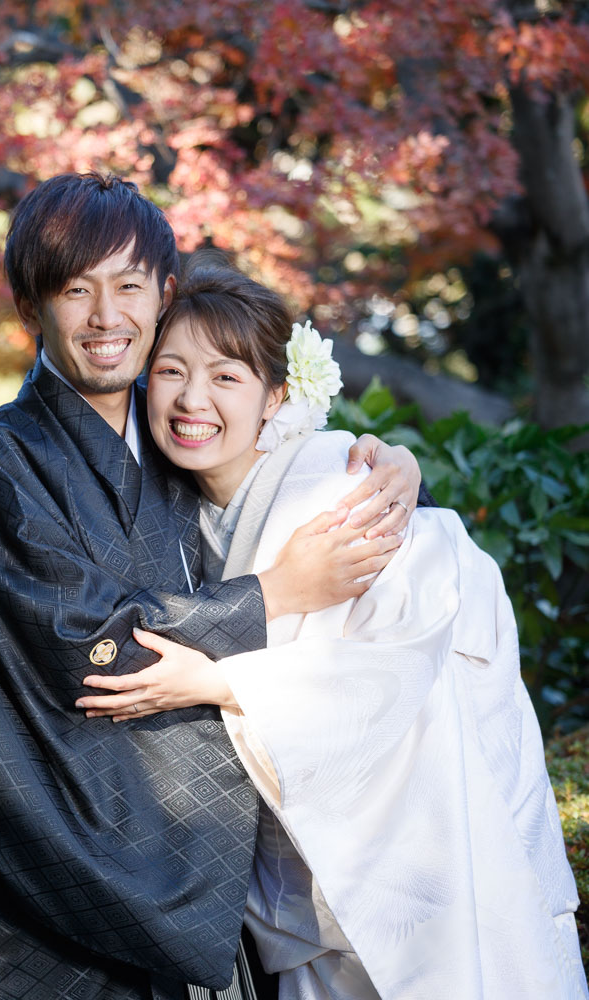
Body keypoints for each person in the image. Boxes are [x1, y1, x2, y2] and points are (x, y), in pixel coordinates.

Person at [0, 172, 426, 1000]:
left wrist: (391, 469)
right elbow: (95, 646)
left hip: (194, 847)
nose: (107, 317)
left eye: (128, 285)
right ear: (29, 308)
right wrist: (275, 593)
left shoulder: (172, 425)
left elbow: (286, 478)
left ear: (165, 294)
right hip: (52, 870)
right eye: (76, 290)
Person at [77, 252, 587, 999]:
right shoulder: (178, 512)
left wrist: (217, 681)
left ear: (275, 396)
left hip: (422, 860)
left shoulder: (342, 487)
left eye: (226, 376)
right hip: (307, 884)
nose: (192, 399)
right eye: (170, 371)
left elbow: (389, 672)